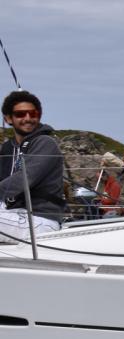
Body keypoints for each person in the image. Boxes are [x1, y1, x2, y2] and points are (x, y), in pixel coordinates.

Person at [0, 91, 65, 235]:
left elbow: (25, 178)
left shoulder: (46, 143)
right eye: (20, 114)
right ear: (8, 119)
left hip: (41, 219)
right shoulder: (7, 148)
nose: (28, 118)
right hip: (13, 213)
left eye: (33, 114)